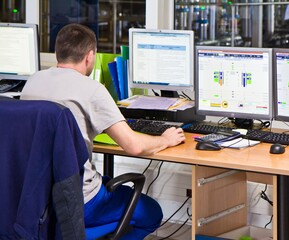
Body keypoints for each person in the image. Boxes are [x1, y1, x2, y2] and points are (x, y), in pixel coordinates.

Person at [20, 23, 185, 239]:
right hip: (80, 200)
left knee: (106, 182)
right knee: (152, 213)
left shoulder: (33, 82)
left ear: (57, 52)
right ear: (90, 56)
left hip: (38, 200)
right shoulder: (92, 89)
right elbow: (133, 146)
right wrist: (165, 139)